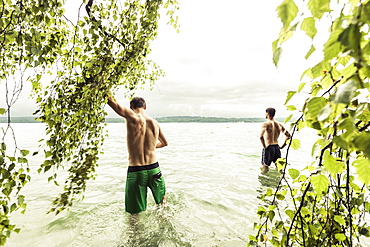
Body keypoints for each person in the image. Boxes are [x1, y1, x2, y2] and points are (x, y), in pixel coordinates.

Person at [107, 94, 168, 214]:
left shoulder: (132, 118)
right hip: (155, 170)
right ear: (145, 107)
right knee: (162, 204)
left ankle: (136, 233)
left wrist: (101, 83)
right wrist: (150, 146)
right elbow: (165, 143)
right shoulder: (155, 123)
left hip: (137, 171)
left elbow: (112, 103)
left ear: (131, 107)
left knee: (134, 214)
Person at [259, 107, 291, 173]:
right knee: (279, 167)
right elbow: (289, 136)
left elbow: (261, 136)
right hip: (276, 147)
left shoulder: (266, 124)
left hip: (269, 147)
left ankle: (265, 182)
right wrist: (282, 146)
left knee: (265, 166)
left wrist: (265, 146)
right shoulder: (279, 124)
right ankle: (281, 180)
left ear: (267, 113)